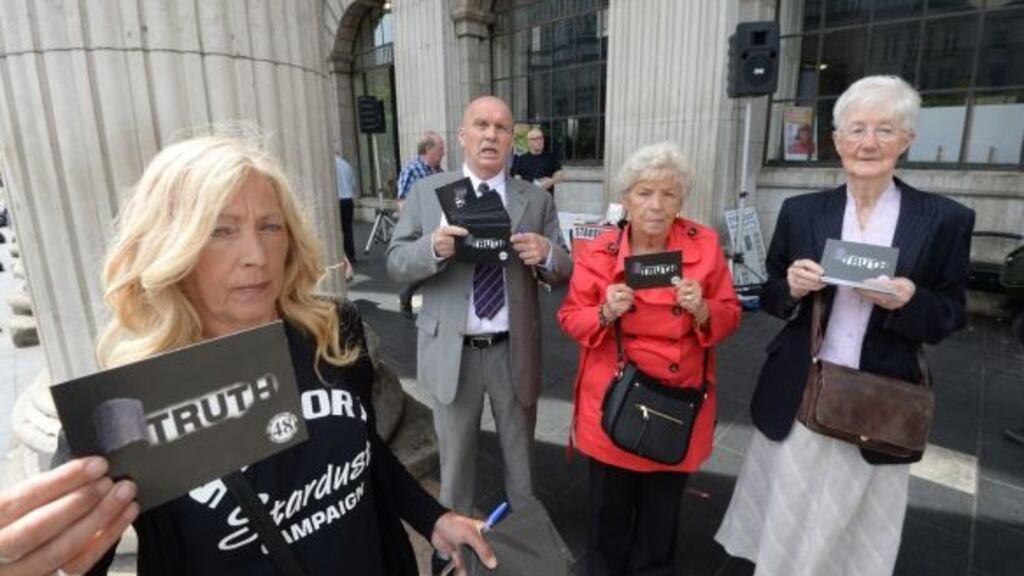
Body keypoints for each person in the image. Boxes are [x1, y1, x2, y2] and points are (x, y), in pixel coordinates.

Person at [3, 134, 495, 576]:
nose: (256, 254)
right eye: (221, 230)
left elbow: (365, 451)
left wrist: (433, 518)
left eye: (270, 226)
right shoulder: (127, 405)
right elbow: (75, 550)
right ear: (172, 245)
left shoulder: (330, 330)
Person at [715, 75, 975, 576]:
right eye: (856, 129)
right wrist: (790, 286)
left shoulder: (945, 219)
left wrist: (910, 298)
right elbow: (769, 293)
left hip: (879, 397)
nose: (868, 142)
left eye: (885, 129)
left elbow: (950, 312)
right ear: (836, 140)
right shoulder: (803, 211)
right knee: (786, 514)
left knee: (854, 528)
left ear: (907, 140)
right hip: (801, 390)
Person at [386, 96, 572, 571]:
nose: (491, 135)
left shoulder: (536, 199)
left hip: (513, 351)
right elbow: (395, 262)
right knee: (456, 472)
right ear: (463, 136)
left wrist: (548, 253)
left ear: (512, 140)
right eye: (481, 125)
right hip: (454, 353)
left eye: (502, 127)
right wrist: (433, 246)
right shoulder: (430, 194)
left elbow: (565, 269)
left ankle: (529, 561)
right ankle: (455, 563)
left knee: (521, 469)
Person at [557, 141, 740, 576]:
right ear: (625, 198)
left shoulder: (706, 246)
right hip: (613, 401)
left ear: (682, 200)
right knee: (607, 518)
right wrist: (604, 311)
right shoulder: (599, 251)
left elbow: (730, 316)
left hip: (675, 406)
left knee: (660, 521)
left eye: (669, 193)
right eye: (644, 192)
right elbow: (569, 319)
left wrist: (701, 309)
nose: (656, 205)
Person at [396, 132, 446, 317]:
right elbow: (401, 201)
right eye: (440, 149)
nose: (444, 153)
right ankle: (407, 292)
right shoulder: (412, 169)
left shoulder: (440, 172)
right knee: (426, 262)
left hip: (439, 225)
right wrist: (409, 230)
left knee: (440, 262)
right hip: (421, 229)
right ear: (428, 150)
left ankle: (414, 293)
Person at [510, 128, 563, 197]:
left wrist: (551, 181)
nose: (539, 141)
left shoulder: (551, 157)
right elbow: (517, 179)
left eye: (541, 138)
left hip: (546, 200)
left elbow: (560, 176)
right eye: (536, 139)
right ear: (529, 142)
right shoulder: (521, 159)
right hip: (528, 199)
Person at [336, 152, 357, 264]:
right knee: (348, 229)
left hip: (336, 200)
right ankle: (351, 255)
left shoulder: (330, 165)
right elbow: (353, 183)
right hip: (348, 199)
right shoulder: (346, 165)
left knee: (336, 230)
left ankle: (340, 255)